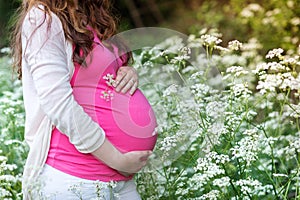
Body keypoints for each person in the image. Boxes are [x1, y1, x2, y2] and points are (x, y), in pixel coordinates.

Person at [11, 0, 158, 199]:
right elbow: (57, 103)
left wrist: (127, 71)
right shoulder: (42, 18)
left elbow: (95, 76)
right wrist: (118, 160)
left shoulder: (90, 14)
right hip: (76, 176)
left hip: (121, 181)